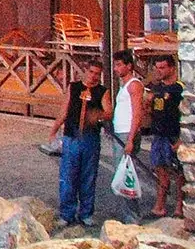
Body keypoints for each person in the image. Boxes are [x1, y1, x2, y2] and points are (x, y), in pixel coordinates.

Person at [53, 60, 108, 227]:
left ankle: (86, 213)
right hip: (72, 136)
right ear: (85, 71)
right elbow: (65, 109)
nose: (93, 76)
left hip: (90, 138)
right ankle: (67, 213)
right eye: (91, 72)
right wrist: (54, 128)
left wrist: (98, 114)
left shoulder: (102, 91)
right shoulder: (74, 87)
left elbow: (109, 111)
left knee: (88, 176)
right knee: (68, 176)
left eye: (97, 74)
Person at [109, 49, 148, 223]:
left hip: (127, 133)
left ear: (128, 65)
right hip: (120, 131)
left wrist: (131, 139)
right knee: (121, 172)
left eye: (119, 65)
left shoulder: (134, 85)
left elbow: (137, 113)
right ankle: (127, 213)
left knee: (125, 173)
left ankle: (132, 215)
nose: (116, 68)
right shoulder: (124, 86)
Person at [148, 57, 184, 219]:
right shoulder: (157, 89)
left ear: (171, 68)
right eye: (157, 67)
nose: (159, 71)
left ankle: (180, 206)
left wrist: (181, 139)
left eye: (162, 68)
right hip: (158, 134)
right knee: (160, 169)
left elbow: (185, 114)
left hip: (173, 134)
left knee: (178, 172)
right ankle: (160, 205)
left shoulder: (179, 89)